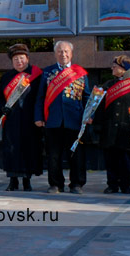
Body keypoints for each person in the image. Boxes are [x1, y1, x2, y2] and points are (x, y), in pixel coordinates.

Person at [35, 41, 91, 194]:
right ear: (55, 54)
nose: (63, 54)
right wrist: (38, 117)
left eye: (66, 51)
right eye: (60, 51)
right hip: (53, 120)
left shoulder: (80, 73)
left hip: (75, 120)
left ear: (71, 54)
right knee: (53, 155)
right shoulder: (47, 72)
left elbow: (87, 97)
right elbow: (40, 97)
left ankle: (77, 184)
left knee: (77, 155)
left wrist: (89, 115)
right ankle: (55, 184)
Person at [94, 56, 130, 194]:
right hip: (109, 129)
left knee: (125, 159)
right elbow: (99, 108)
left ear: (124, 69)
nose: (112, 68)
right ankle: (112, 184)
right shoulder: (107, 85)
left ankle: (125, 184)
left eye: (115, 66)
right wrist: (98, 126)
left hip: (127, 129)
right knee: (110, 159)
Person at [0, 44, 43, 191]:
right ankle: (13, 180)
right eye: (16, 59)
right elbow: (0, 97)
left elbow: (41, 97)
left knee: (28, 148)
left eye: (22, 58)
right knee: (11, 149)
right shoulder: (6, 77)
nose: (19, 62)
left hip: (29, 119)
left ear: (27, 59)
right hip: (12, 119)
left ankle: (27, 180)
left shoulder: (36, 75)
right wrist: (2, 107)